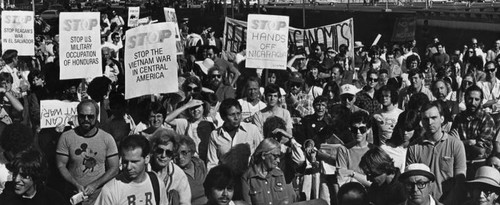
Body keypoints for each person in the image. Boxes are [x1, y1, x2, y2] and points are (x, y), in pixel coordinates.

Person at [55, 99, 119, 205]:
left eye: (90, 116)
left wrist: (95, 185)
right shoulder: (66, 137)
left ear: (97, 116)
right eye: (82, 116)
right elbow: (61, 165)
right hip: (74, 196)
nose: (86, 119)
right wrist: (75, 184)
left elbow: (114, 168)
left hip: (100, 198)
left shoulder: (107, 138)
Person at [406, 101, 467, 204]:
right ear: (421, 122)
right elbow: (411, 179)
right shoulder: (414, 147)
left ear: (442, 119)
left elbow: (460, 179)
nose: (429, 122)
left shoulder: (456, 144)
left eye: (434, 118)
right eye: (425, 119)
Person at [94, 135, 168, 205]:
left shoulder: (156, 182)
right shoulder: (111, 190)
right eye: (125, 162)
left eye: (134, 162)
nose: (129, 167)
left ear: (146, 159)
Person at [207, 98, 263, 173]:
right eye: (232, 115)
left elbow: (261, 153)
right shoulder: (215, 135)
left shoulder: (252, 130)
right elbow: (212, 163)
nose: (237, 118)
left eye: (238, 113)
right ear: (223, 117)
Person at [0, 149, 67, 205]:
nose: (16, 179)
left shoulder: (53, 198)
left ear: (36, 176)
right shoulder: (6, 199)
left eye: (24, 176)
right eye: (15, 173)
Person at [241, 138, 296, 205]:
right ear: (263, 155)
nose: (278, 160)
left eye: (280, 156)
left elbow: (285, 201)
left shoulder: (279, 175)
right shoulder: (248, 177)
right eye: (275, 156)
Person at [451, 85, 495, 162]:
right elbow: (452, 142)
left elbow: (481, 151)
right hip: (460, 160)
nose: (473, 102)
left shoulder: (487, 119)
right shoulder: (459, 117)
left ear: (481, 101)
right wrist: (469, 142)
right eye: (470, 99)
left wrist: (460, 143)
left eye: (476, 99)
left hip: (479, 162)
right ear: (465, 99)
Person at [165, 95, 215, 162]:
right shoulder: (184, 123)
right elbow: (167, 119)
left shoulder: (210, 123)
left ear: (203, 107)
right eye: (192, 108)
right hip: (191, 162)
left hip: (208, 162)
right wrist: (186, 105)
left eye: (198, 106)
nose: (195, 110)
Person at [149, 129, 192, 205]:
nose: (163, 155)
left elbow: (185, 202)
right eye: (160, 151)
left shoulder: (179, 175)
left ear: (173, 154)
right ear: (153, 150)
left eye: (168, 152)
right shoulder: (144, 170)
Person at [335, 111, 375, 188]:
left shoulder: (373, 150)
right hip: (351, 191)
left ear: (368, 130)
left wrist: (352, 173)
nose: (358, 132)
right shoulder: (343, 150)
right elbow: (342, 178)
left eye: (362, 129)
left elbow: (374, 183)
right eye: (354, 129)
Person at [175, 135, 208, 205]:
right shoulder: (176, 173)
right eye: (176, 154)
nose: (180, 157)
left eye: (184, 153)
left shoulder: (199, 164)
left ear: (192, 152)